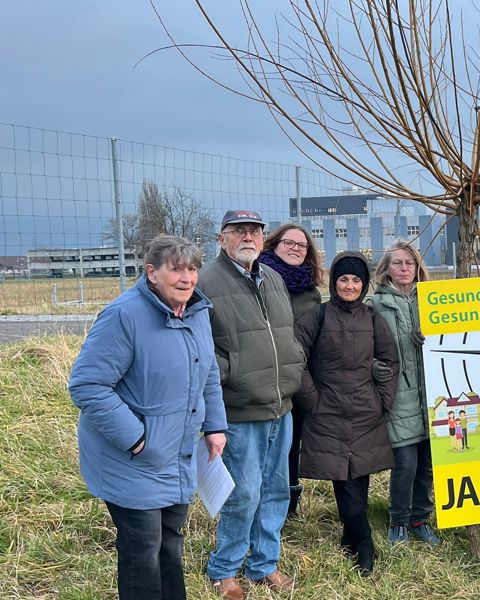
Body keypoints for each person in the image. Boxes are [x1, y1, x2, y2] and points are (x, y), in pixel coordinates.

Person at [68, 235, 227, 600]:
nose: (187, 278)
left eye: (192, 269)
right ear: (152, 273)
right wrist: (137, 439)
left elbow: (209, 374)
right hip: (131, 459)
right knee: (143, 549)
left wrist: (215, 425)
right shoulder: (124, 316)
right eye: (176, 269)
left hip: (179, 454)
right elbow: (88, 385)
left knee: (169, 543)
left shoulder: (197, 312)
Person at [200, 210, 305, 599]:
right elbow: (201, 346)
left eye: (254, 231)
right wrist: (233, 371)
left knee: (276, 489)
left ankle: (264, 564)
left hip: (281, 405)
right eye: (238, 231)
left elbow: (287, 334)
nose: (247, 237)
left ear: (263, 238)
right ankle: (225, 568)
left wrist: (294, 364)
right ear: (221, 238)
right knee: (243, 492)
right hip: (240, 408)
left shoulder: (273, 278)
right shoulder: (207, 281)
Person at [295, 251, 400, 576]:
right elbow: (294, 355)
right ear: (334, 281)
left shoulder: (372, 319)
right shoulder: (318, 316)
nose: (350, 285)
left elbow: (391, 361)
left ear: (365, 284)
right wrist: (312, 399)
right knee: (342, 478)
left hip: (366, 414)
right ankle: (363, 541)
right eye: (344, 279)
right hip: (328, 414)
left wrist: (382, 399)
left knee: (358, 478)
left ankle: (352, 536)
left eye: (356, 279)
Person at [369, 241, 442, 547]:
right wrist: (375, 367)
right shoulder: (374, 306)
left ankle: (420, 519)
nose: (404, 268)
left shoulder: (434, 301)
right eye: (397, 263)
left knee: (427, 463)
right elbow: (364, 348)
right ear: (386, 269)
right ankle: (398, 520)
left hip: (434, 393)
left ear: (417, 268)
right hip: (400, 394)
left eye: (409, 263)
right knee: (405, 464)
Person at [259, 223, 324, 519]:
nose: (296, 248)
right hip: (263, 377)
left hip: (299, 377)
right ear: (274, 244)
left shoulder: (310, 292)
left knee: (292, 443)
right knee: (264, 443)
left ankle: (289, 500)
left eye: (302, 245)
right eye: (290, 242)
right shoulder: (257, 278)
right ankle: (260, 500)